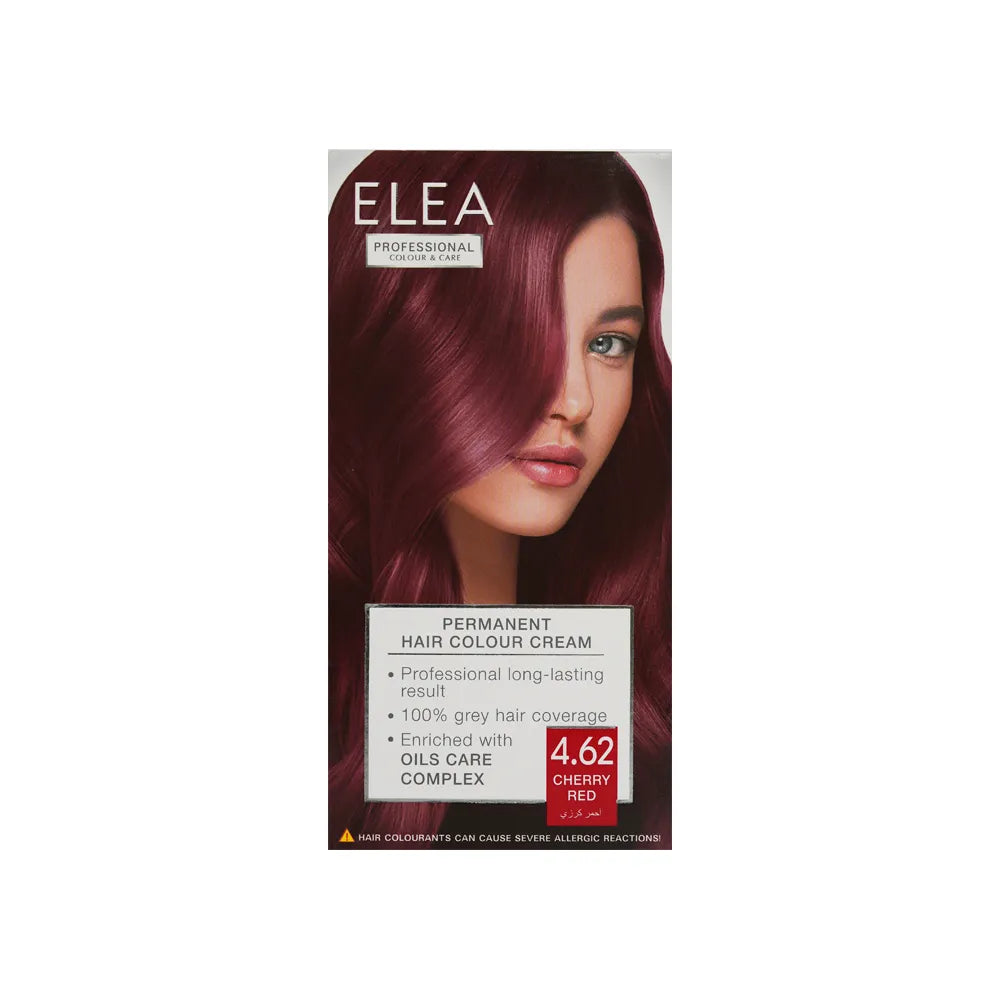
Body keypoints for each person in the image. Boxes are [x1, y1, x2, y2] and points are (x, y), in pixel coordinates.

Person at [329, 151, 671, 847]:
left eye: (609, 343)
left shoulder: (642, 684)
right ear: (400, 336)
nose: (576, 400)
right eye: (520, 332)